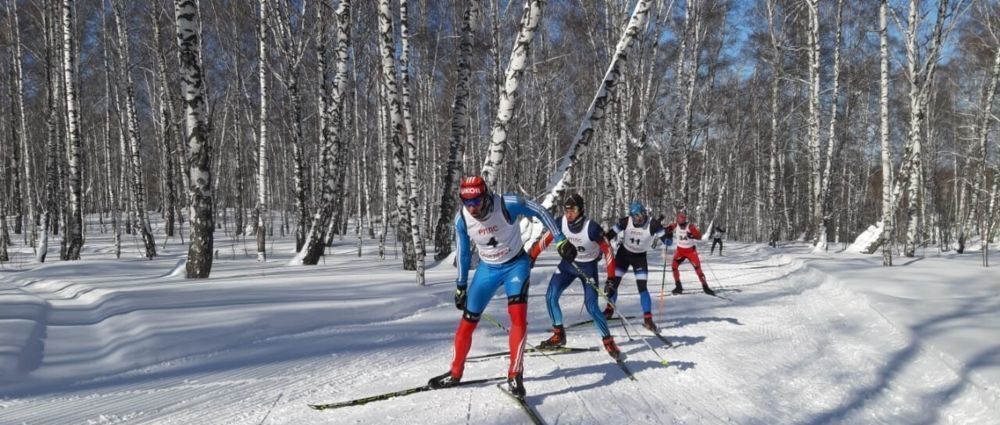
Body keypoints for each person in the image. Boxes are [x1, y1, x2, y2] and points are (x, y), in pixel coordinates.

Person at [428, 176, 576, 398]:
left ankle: (515, 374)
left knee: (517, 317)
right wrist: (460, 286)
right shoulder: (462, 219)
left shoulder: (507, 203)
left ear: (485, 195)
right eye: (467, 202)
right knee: (467, 323)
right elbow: (464, 252)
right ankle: (455, 372)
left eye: (476, 202)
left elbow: (539, 210)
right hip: (487, 270)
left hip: (516, 265)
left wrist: (561, 239)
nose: (472, 208)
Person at [528, 194, 623, 360]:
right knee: (551, 296)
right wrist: (532, 257)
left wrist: (611, 278)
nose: (569, 213)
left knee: (591, 306)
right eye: (566, 209)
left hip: (588, 267)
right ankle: (559, 334)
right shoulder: (560, 223)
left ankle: (608, 341)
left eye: (574, 209)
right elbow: (545, 240)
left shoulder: (591, 228)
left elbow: (608, 250)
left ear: (581, 210)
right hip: (568, 265)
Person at [602, 201, 673, 332]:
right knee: (614, 283)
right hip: (623, 255)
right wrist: (600, 242)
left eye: (640, 215)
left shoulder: (653, 224)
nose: (638, 218)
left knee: (642, 288)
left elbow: (668, 241)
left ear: (644, 212)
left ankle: (648, 319)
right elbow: (610, 235)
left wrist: (668, 235)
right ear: (631, 216)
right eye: (635, 216)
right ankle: (609, 309)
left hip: (639, 258)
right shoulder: (626, 221)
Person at [667, 212, 715, 296]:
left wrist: (692, 235)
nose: (678, 222)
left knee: (698, 269)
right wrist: (667, 232)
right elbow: (667, 229)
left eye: (680, 220)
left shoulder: (690, 226)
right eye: (678, 220)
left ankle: (705, 287)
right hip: (680, 251)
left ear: (684, 220)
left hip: (691, 252)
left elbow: (698, 236)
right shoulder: (675, 225)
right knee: (674, 266)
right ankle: (678, 287)